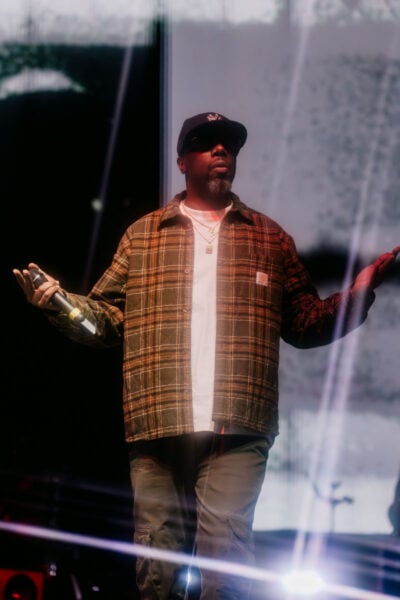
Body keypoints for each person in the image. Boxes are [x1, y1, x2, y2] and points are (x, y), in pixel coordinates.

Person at [13, 111, 399, 600]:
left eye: (228, 144)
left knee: (227, 563)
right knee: (157, 566)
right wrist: (60, 304)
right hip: (158, 421)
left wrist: (358, 296)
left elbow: (305, 324)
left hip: (237, 425)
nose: (220, 150)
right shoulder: (143, 235)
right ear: (182, 162)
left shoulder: (269, 238)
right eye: (205, 142)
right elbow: (106, 322)